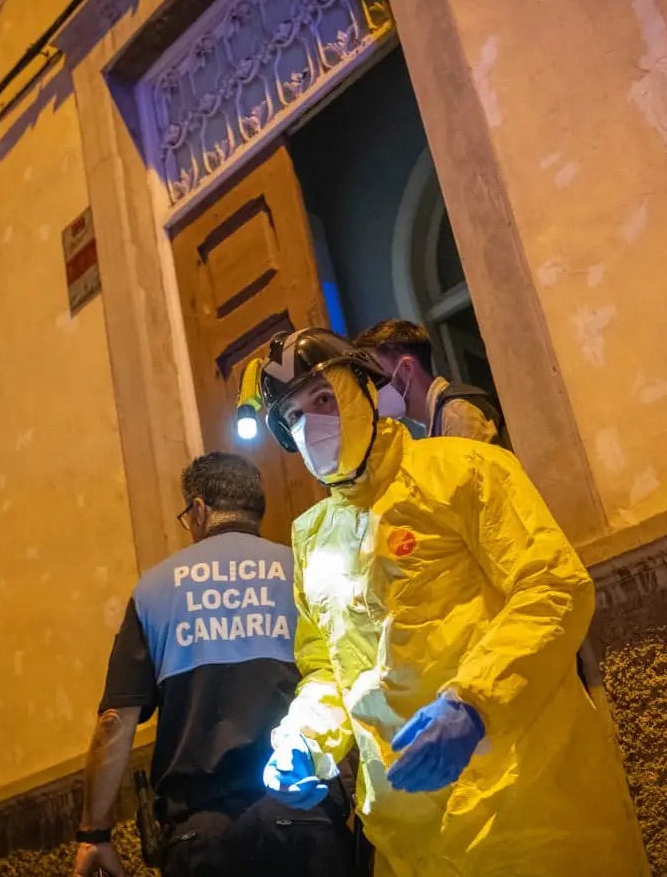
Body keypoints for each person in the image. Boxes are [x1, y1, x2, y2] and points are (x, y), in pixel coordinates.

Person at [255, 327, 603, 876]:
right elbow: (328, 666)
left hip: (521, 801)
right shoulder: (312, 537)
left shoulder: (465, 472)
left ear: (364, 392)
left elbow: (552, 587)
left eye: (323, 399)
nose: (311, 425)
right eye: (294, 417)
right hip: (407, 829)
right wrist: (306, 736)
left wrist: (474, 703)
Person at [71, 452, 354, 877]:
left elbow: (115, 720)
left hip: (202, 835)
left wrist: (94, 834)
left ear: (199, 510)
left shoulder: (154, 591)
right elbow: (355, 684)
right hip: (306, 819)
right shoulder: (302, 572)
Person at [352, 319, 508, 448]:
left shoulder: (456, 413)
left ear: (406, 368)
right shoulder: (438, 419)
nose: (370, 387)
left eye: (375, 374)